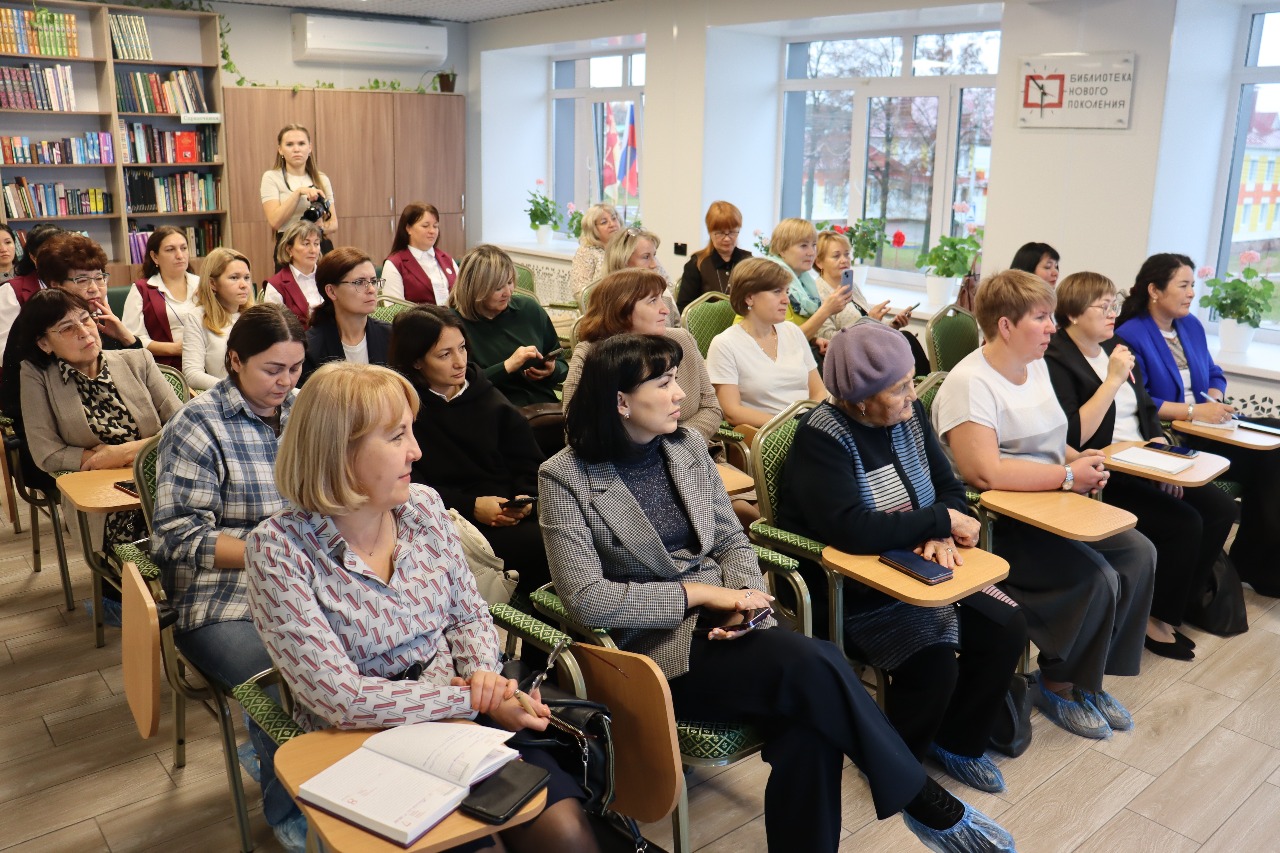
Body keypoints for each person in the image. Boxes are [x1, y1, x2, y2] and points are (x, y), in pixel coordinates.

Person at [540, 333, 1015, 853]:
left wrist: (744, 598)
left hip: (735, 624)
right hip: (652, 650)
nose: (680, 394)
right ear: (621, 401)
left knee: (810, 729)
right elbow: (586, 597)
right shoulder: (564, 477)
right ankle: (920, 797)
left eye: (676, 379)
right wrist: (701, 595)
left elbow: (730, 539)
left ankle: (912, 797)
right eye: (664, 383)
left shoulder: (686, 447)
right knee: (817, 664)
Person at [246, 362, 599, 853]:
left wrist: (482, 674)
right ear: (338, 450)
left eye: (411, 432)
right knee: (478, 848)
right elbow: (341, 700)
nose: (416, 450)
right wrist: (474, 701)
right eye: (397, 437)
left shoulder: (423, 507)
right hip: (362, 741)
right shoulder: (279, 549)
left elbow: (468, 614)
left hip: (459, 719)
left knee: (565, 831)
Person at [777, 322, 1027, 793]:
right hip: (855, 585)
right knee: (934, 663)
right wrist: (937, 521)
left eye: (912, 382)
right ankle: (895, 763)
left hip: (927, 565)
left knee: (1007, 625)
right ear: (859, 400)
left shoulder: (909, 418)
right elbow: (852, 529)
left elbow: (950, 487)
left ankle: (958, 741)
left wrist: (942, 530)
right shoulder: (822, 436)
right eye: (899, 389)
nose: (913, 396)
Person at [932, 270, 1156, 740]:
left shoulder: (1035, 365)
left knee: (1139, 554)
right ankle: (1057, 684)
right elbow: (984, 473)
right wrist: (1069, 476)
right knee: (1097, 577)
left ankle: (1089, 679)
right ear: (1006, 325)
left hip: (1051, 502)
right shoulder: (970, 383)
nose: (1053, 328)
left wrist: (1079, 460)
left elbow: (1051, 440)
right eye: (1041, 318)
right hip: (1000, 522)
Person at [152, 303, 309, 852]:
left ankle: (328, 780)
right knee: (282, 680)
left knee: (359, 655)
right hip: (219, 596)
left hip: (304, 577)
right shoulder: (198, 426)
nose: (285, 382)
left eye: (296, 368)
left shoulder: (302, 411)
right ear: (235, 361)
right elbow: (176, 537)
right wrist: (271, 554)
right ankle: (292, 814)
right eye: (272, 370)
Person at [1046, 271, 1238, 658]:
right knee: (1184, 522)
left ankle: (1180, 604)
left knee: (1219, 509)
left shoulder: (1113, 346)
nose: (1113, 314)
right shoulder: (1056, 358)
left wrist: (1162, 453)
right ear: (1073, 314)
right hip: (1103, 469)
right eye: (1103, 307)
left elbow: (1146, 410)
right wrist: (1112, 381)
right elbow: (1075, 435)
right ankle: (1154, 618)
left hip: (1144, 458)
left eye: (1113, 304)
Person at [1116, 253, 1280, 596]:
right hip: (1178, 432)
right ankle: (1253, 565)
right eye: (1183, 285)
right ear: (1154, 290)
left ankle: (1257, 560)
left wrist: (1214, 399)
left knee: (1274, 448)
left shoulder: (1189, 325)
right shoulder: (1131, 334)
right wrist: (1194, 411)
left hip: (1210, 424)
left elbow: (1215, 373)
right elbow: (1141, 400)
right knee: (1266, 462)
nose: (1192, 293)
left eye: (1193, 285)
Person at [19, 288, 180, 622]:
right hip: (105, 499)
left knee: (196, 530)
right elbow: (46, 452)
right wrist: (99, 460)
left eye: (86, 319)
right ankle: (148, 611)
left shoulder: (137, 360)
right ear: (45, 343)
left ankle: (181, 603)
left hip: (164, 480)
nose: (84, 331)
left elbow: (183, 425)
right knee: (136, 545)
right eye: (67, 328)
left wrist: (123, 453)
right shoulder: (38, 377)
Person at [388, 306, 550, 597]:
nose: (459, 361)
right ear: (416, 361)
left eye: (462, 348)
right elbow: (409, 486)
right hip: (447, 520)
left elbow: (530, 466)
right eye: (444, 354)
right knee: (540, 548)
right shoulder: (402, 409)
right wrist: (471, 506)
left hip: (507, 513)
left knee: (566, 537)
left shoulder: (490, 399)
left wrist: (525, 500)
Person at [706, 258, 826, 436]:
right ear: (749, 297)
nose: (786, 300)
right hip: (768, 432)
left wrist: (811, 422)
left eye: (787, 291)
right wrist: (789, 426)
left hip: (807, 425)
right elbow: (732, 412)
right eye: (777, 292)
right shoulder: (725, 344)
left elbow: (819, 391)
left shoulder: (793, 331)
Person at [450, 244, 566, 407]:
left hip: (543, 407)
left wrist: (552, 370)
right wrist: (508, 365)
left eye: (510, 282)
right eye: (498, 288)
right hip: (492, 410)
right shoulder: (453, 325)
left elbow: (562, 364)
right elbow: (460, 386)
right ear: (475, 289)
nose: (508, 292)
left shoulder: (529, 309)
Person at [813, 229, 930, 376]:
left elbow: (870, 321)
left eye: (847, 254)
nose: (844, 260)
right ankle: (928, 384)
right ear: (819, 262)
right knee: (905, 341)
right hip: (852, 355)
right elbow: (829, 338)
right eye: (836, 256)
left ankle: (928, 383)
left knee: (905, 337)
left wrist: (893, 324)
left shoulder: (851, 287)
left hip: (869, 344)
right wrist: (868, 321)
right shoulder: (818, 293)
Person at [301, 246, 391, 382]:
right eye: (360, 282)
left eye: (373, 281)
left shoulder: (391, 336)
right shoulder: (310, 348)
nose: (372, 289)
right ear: (331, 291)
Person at [765, 217, 852, 351]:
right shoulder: (771, 280)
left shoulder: (803, 282)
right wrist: (826, 310)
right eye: (803, 246)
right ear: (782, 250)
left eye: (814, 245)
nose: (812, 252)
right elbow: (784, 341)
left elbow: (796, 331)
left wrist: (814, 340)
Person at [123, 226, 199, 370]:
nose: (180, 255)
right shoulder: (142, 289)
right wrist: (175, 349)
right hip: (165, 369)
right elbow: (133, 339)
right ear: (155, 256)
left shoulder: (203, 285)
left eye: (183, 248)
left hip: (206, 362)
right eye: (170, 250)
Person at [181, 247, 252, 391]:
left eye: (246, 278)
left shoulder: (257, 315)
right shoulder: (197, 317)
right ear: (213, 283)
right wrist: (235, 388)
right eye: (234, 278)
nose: (244, 285)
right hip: (226, 394)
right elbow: (192, 374)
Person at [259, 123, 338, 250]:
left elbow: (334, 224)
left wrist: (321, 227)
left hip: (318, 243)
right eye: (289, 144)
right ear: (280, 149)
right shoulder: (271, 177)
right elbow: (275, 222)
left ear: (309, 147)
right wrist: (298, 193)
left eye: (301, 144)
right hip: (288, 245)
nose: (296, 149)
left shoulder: (321, 178)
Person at [0, 223, 64, 369]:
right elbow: (5, 353)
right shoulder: (11, 290)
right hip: (33, 371)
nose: (57, 259)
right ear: (33, 257)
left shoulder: (82, 282)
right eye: (48, 253)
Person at [677, 201, 753, 312]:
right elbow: (684, 309)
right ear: (710, 232)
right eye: (720, 233)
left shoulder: (749, 262)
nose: (727, 238)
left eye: (732, 232)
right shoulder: (697, 264)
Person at [382, 202, 458, 304]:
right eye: (425, 226)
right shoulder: (395, 264)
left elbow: (462, 297)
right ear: (408, 228)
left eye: (435, 226)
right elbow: (394, 309)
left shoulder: (447, 259)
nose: (432, 231)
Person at [601, 227, 677, 324]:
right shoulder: (606, 299)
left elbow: (674, 327)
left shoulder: (662, 292)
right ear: (623, 261)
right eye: (646, 257)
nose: (654, 264)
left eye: (654, 255)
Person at [262, 220, 324, 327]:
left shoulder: (329, 276)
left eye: (316, 244)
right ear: (289, 249)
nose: (313, 250)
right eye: (306, 244)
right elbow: (274, 328)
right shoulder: (276, 285)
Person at [569, 202, 621, 298]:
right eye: (604, 222)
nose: (612, 224)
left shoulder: (626, 248)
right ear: (593, 229)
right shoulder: (586, 252)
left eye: (614, 218)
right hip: (599, 304)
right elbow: (580, 293)